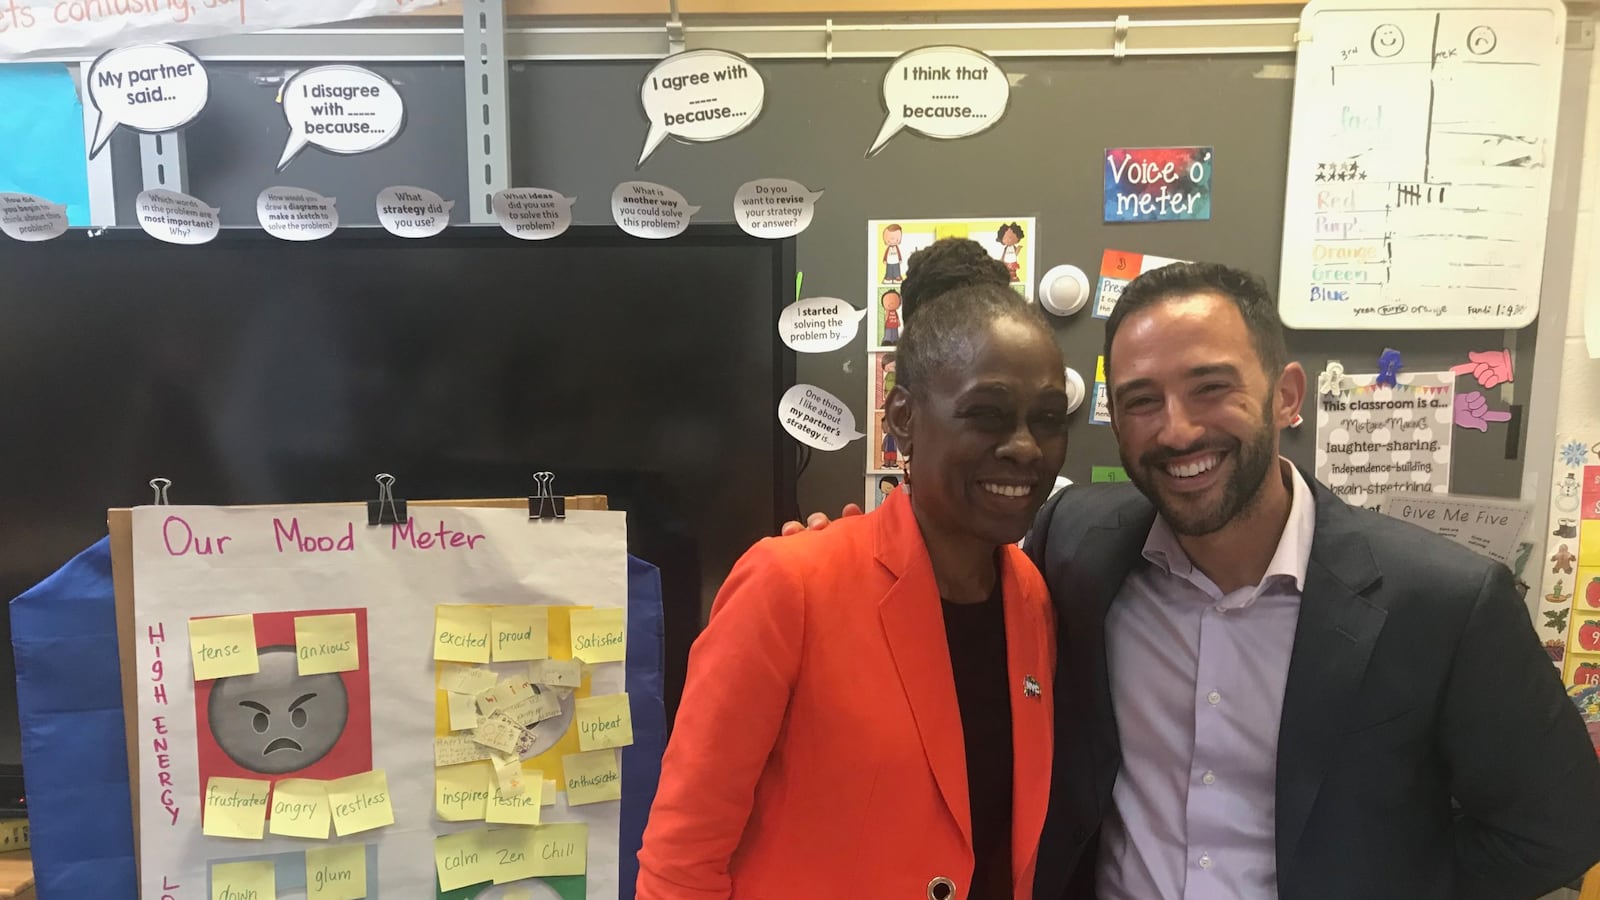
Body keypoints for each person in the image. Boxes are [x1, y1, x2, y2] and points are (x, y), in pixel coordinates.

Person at [790, 261, 1600, 899]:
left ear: (1285, 397)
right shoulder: (1074, 547)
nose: (1177, 430)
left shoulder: (1447, 603)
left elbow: (1558, 828)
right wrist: (830, 562)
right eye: (1142, 401)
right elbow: (944, 589)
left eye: (1210, 388)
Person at [637, 282, 1072, 899]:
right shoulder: (790, 583)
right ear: (903, 419)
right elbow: (680, 857)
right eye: (987, 413)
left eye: (1049, 419)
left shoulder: (1030, 597)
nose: (1026, 446)